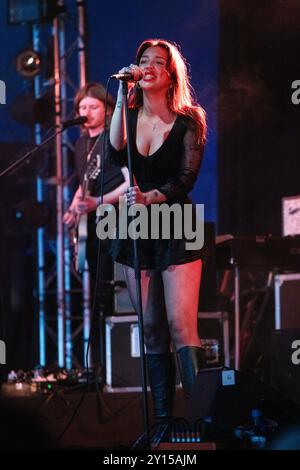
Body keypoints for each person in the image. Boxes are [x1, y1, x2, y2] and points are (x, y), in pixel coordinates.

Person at [108, 39, 207, 423]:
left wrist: (153, 197)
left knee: (181, 324)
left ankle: (202, 422)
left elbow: (187, 178)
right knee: (150, 329)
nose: (147, 67)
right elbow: (116, 151)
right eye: (142, 61)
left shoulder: (189, 120)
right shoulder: (129, 114)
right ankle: (163, 424)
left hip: (176, 223)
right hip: (137, 226)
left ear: (170, 74)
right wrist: (121, 90)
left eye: (157, 63)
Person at [63, 82, 129, 364]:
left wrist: (97, 203)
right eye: (82, 107)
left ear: (107, 109)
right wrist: (74, 207)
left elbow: (130, 184)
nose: (86, 112)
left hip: (116, 223)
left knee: (109, 294)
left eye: (93, 106)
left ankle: (112, 364)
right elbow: (85, 181)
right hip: (91, 228)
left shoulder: (114, 141)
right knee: (95, 296)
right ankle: (98, 365)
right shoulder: (80, 144)